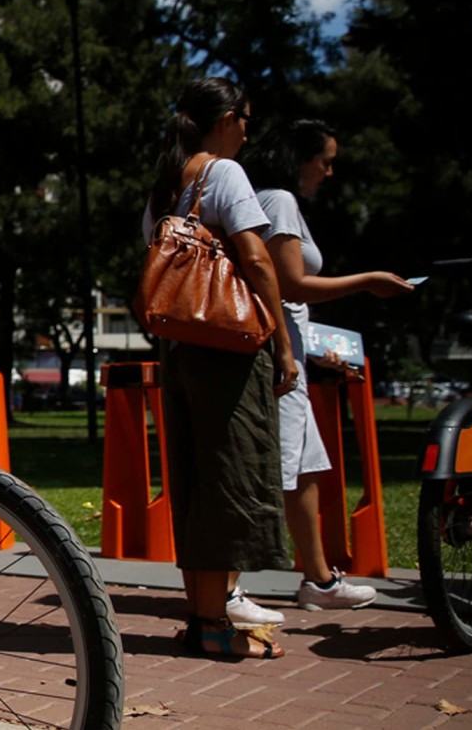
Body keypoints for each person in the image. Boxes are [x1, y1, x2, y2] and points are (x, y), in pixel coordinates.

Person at [144, 77, 298, 659]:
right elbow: (256, 259)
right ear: (226, 119)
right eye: (246, 120)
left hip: (180, 347)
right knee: (229, 479)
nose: (248, 132)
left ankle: (201, 618)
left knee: (194, 481)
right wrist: (282, 342)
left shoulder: (165, 185)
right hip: (228, 347)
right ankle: (213, 626)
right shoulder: (224, 173)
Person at [241, 119, 413, 612]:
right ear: (300, 159)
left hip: (288, 353)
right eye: (325, 161)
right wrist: (369, 281)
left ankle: (317, 579)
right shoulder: (279, 201)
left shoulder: (267, 200)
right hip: (277, 357)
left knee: (304, 468)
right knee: (273, 471)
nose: (329, 172)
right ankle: (227, 586)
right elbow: (291, 283)